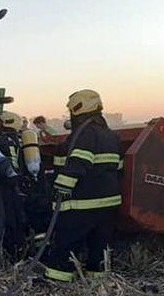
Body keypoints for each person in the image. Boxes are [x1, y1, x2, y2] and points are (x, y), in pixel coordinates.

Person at [39, 89, 123, 282]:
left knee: (67, 241)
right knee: (100, 245)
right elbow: (117, 168)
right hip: (108, 204)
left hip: (83, 203)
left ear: (76, 109)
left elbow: (78, 163)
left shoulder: (85, 134)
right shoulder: (110, 135)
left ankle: (57, 279)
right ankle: (97, 279)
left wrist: (59, 189)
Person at [0, 111, 28, 258]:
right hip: (11, 188)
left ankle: (12, 252)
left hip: (2, 188)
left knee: (10, 222)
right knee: (15, 221)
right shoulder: (11, 141)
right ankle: (16, 252)